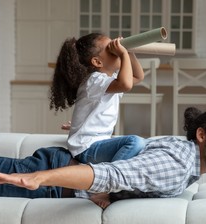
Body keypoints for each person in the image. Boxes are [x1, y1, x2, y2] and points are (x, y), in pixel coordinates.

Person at [0, 106, 206, 207]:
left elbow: (130, 161)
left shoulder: (184, 153)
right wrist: (39, 178)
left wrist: (114, 197)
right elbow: (113, 174)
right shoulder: (177, 167)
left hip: (56, 169)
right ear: (202, 135)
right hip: (53, 182)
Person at [49, 33, 145, 205]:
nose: (117, 50)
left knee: (139, 148)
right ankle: (104, 187)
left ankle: (105, 179)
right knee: (135, 142)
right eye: (111, 49)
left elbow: (138, 77)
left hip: (94, 145)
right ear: (97, 62)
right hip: (86, 148)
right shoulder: (94, 80)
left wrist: (128, 52)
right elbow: (127, 84)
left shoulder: (107, 81)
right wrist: (123, 54)